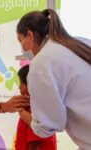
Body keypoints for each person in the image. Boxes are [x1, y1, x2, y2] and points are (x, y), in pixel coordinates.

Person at [16, 8, 91, 150]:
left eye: (20, 41)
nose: (22, 48)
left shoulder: (42, 62)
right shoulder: (82, 42)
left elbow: (48, 126)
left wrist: (22, 113)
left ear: (30, 36)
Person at [15, 64, 57, 150]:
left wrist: (21, 111)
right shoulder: (30, 108)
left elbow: (35, 143)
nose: (19, 87)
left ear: (31, 85)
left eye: (22, 83)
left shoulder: (35, 110)